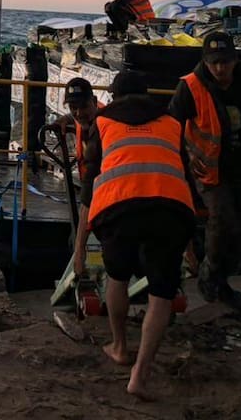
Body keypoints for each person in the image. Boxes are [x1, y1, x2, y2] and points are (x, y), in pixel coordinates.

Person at [74, 68, 195, 399]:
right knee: (161, 295)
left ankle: (120, 347)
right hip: (170, 209)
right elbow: (182, 172)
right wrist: (192, 243)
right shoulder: (171, 122)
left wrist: (80, 248)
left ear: (113, 97)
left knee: (118, 278)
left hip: (118, 207)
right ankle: (140, 375)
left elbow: (88, 187)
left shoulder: (103, 123)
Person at [169, 29, 241, 307]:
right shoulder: (190, 86)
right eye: (214, 63)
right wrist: (181, 168)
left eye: (225, 62)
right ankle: (212, 278)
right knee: (221, 221)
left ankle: (220, 276)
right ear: (205, 62)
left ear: (235, 60)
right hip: (210, 171)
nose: (220, 68)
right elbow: (172, 127)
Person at [62, 76, 100, 204]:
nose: (78, 113)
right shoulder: (84, 119)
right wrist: (65, 119)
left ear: (94, 102)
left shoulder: (106, 128)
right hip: (89, 190)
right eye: (73, 107)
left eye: (83, 107)